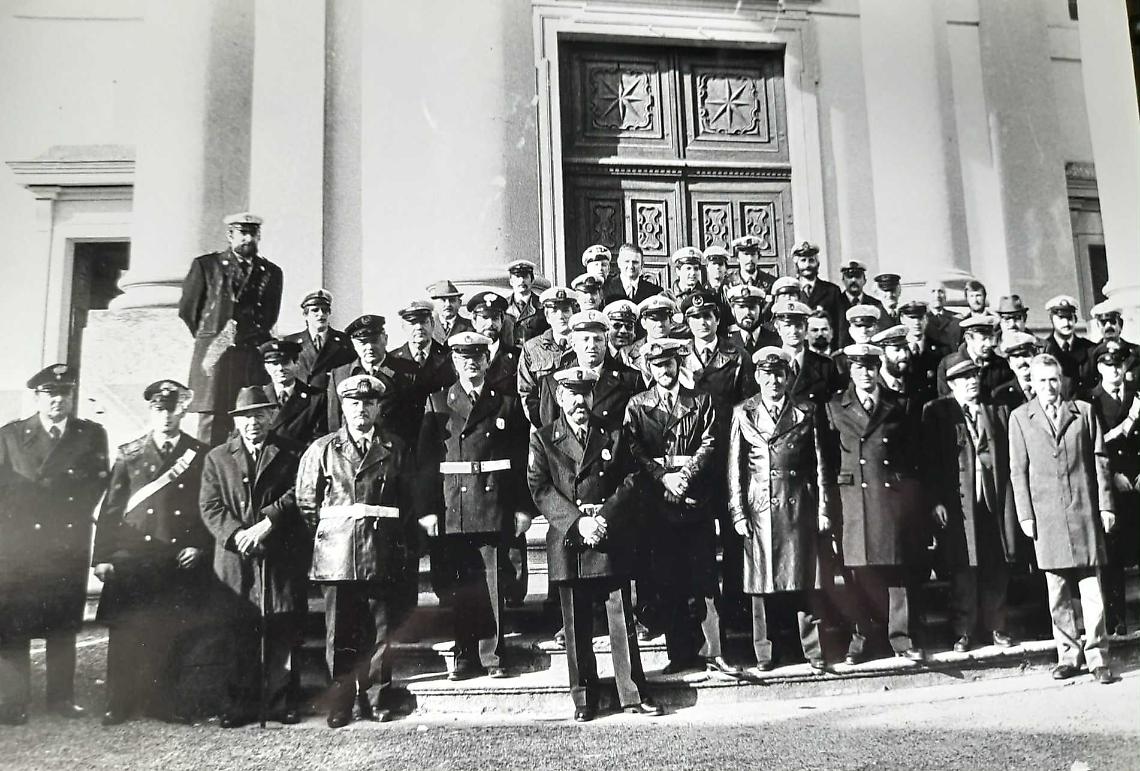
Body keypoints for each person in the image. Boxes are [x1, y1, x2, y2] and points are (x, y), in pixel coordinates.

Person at [527, 367, 661, 721]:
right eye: (571, 394)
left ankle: (633, 693)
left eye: (585, 393)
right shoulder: (544, 438)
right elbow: (540, 488)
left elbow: (631, 478)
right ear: (560, 398)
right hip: (570, 538)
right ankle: (584, 698)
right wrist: (579, 522)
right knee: (576, 624)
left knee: (621, 619)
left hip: (608, 533)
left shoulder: (613, 434)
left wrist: (604, 518)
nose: (579, 402)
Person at [296, 374, 417, 728]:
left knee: (381, 631)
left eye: (368, 403)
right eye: (354, 403)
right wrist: (332, 538)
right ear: (343, 408)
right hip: (337, 556)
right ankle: (342, 702)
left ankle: (378, 699)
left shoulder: (395, 448)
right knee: (340, 635)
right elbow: (306, 504)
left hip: (381, 551)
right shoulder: (322, 450)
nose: (361, 409)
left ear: (378, 408)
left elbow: (407, 501)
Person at [92, 380, 211, 725]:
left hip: (174, 557)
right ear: (151, 411)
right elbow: (111, 510)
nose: (166, 416)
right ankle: (118, 702)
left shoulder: (198, 453)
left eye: (172, 410)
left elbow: (205, 506)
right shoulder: (130, 453)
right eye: (160, 410)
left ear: (182, 412)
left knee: (168, 631)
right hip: (133, 558)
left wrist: (199, 545)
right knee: (124, 632)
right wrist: (102, 557)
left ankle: (162, 702)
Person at [416, 332, 533, 680]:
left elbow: (522, 460)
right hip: (454, 504)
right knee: (461, 585)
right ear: (455, 361)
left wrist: (523, 508)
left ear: (486, 360)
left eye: (477, 356)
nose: (471, 363)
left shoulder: (507, 403)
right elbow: (425, 462)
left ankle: (494, 656)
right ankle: (464, 656)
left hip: (495, 501)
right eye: (463, 357)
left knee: (494, 582)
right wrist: (427, 509)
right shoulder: (438, 402)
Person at [0, 364, 109, 724]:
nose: (58, 400)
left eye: (64, 393)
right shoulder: (10, 436)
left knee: (62, 624)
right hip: (21, 546)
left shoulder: (90, 435)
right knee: (14, 625)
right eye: (50, 394)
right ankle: (14, 701)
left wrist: (67, 519)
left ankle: (62, 699)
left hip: (65, 542)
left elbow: (97, 483)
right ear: (37, 397)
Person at [623, 339, 737, 675]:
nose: (664, 370)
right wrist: (663, 478)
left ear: (678, 364)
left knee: (705, 578)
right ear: (649, 368)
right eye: (657, 365)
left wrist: (685, 476)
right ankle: (680, 652)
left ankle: (715, 651)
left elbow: (710, 442)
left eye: (669, 364)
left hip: (694, 498)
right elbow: (633, 449)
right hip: (658, 503)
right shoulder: (637, 405)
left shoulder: (700, 400)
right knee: (669, 579)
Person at [198, 386, 308, 727]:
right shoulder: (217, 458)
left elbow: (298, 493)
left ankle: (282, 702)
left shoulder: (291, 452)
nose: (253, 423)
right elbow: (210, 506)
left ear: (271, 416)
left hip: (279, 554)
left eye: (259, 415)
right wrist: (237, 535)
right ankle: (239, 704)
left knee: (282, 629)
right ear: (236, 421)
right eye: (246, 417)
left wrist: (267, 524)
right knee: (238, 630)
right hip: (236, 558)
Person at [1008, 354, 1116, 684]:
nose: (1049, 386)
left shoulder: (1083, 412)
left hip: (1083, 510)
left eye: (1053, 379)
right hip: (1047, 515)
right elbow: (1018, 471)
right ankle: (1068, 655)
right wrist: (1025, 515)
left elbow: (1100, 460)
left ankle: (1097, 656)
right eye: (1042, 381)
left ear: (1062, 380)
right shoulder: (1020, 418)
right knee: (1057, 591)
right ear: (1032, 383)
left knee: (1091, 589)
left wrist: (1106, 506)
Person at [820, 344, 926, 665]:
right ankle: (862, 638)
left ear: (878, 369)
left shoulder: (899, 404)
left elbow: (912, 458)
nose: (865, 373)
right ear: (850, 371)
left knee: (896, 571)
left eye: (870, 367)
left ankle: (901, 638)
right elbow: (827, 461)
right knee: (857, 573)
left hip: (889, 499)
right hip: (852, 500)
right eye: (858, 367)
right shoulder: (834, 407)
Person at [728, 347, 829, 674]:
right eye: (767, 375)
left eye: (779, 375)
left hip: (798, 504)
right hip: (760, 507)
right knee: (760, 583)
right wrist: (738, 512)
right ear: (758, 377)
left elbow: (820, 465)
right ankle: (765, 652)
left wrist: (823, 509)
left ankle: (813, 649)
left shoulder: (806, 411)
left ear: (788, 377)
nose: (773, 381)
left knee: (805, 578)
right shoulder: (743, 413)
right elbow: (735, 468)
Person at [922, 358, 1018, 653]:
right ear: (951, 384)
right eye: (964, 378)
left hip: (993, 499)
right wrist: (936, 500)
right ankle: (963, 629)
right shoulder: (938, 411)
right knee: (962, 564)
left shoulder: (996, 410)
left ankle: (996, 625)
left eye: (975, 375)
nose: (972, 381)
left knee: (995, 562)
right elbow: (930, 462)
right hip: (958, 501)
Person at [680, 289, 753, 623]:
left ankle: (736, 604)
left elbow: (747, 407)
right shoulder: (679, 355)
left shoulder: (736, 356)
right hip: (693, 460)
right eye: (695, 317)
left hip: (727, 457)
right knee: (697, 539)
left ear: (717, 318)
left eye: (707, 316)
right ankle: (703, 609)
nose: (702, 323)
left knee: (733, 535)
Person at [178, 212, 281, 446]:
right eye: (242, 233)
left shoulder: (271, 272)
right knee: (212, 423)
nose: (248, 239)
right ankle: (208, 469)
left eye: (253, 234)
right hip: (216, 355)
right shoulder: (207, 266)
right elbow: (188, 310)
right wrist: (214, 336)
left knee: (252, 416)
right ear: (230, 235)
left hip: (250, 355)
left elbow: (269, 315)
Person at [1086, 341, 1140, 636]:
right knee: (1113, 557)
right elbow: (1094, 444)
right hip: (1111, 485)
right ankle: (1116, 619)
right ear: (1099, 368)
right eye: (1108, 365)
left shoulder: (1136, 395)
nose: (1115, 370)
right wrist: (1115, 474)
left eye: (1119, 364)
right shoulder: (1090, 401)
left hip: (1138, 481)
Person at [535, 310, 642, 430]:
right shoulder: (553, 382)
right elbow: (550, 431)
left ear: (606, 342)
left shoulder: (631, 379)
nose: (592, 345)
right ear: (573, 344)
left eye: (598, 339)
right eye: (585, 339)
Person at [327, 314, 419, 447]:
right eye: (363, 342)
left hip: (393, 451)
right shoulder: (340, 375)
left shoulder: (407, 372)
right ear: (353, 344)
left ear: (385, 339)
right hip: (352, 451)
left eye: (374, 340)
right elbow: (334, 424)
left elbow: (414, 423)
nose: (369, 347)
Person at [518, 286, 579, 424]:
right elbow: (526, 392)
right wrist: (543, 427)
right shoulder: (532, 348)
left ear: (573, 313)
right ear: (547, 316)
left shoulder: (583, 344)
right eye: (554, 311)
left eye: (565, 310)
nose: (561, 316)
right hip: (546, 423)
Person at [390, 299, 459, 413]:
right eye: (412, 323)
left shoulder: (450, 358)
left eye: (423, 322)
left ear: (432, 324)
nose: (419, 327)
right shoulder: (392, 361)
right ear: (403, 327)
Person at [772, 299, 843, 408]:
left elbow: (835, 407)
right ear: (778, 329)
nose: (793, 331)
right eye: (787, 326)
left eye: (798, 326)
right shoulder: (770, 363)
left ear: (806, 329)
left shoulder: (825, 365)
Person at [259, 339, 328, 445]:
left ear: (297, 364)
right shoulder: (258, 396)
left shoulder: (316, 398)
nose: (280, 368)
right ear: (266, 367)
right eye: (274, 363)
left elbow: (319, 437)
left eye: (285, 363)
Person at [283, 289, 354, 389]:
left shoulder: (344, 340)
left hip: (331, 395)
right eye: (315, 310)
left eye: (325, 310)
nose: (321, 314)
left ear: (329, 313)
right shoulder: (290, 342)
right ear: (305, 315)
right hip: (303, 396)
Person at [936, 315, 1012, 401]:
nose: (989, 344)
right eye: (983, 339)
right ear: (968, 338)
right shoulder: (949, 364)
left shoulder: (1000, 364)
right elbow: (945, 401)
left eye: (990, 338)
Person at [1043, 295, 1097, 395]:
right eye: (1060, 318)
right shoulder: (1044, 350)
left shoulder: (1090, 349)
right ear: (1051, 319)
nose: (1066, 323)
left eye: (1069, 318)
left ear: (1075, 319)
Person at [897, 299, 948, 408]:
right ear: (902, 319)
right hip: (904, 411)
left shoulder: (941, 350)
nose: (917, 323)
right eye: (912, 318)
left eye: (920, 318)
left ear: (926, 319)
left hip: (932, 409)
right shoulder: (897, 350)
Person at [793, 242, 843, 346]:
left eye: (811, 260)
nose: (807, 265)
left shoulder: (832, 290)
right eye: (803, 260)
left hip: (825, 348)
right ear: (796, 264)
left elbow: (840, 325)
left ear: (817, 264)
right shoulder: (791, 291)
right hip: (799, 348)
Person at [624, 294, 680, 385]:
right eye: (654, 320)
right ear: (643, 323)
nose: (660, 324)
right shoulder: (628, 353)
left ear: (670, 321)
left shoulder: (680, 347)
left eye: (663, 319)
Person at [836, 260, 883, 348]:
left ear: (864, 280)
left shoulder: (875, 304)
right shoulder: (834, 303)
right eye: (849, 277)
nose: (853, 280)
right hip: (842, 352)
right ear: (843, 280)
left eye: (858, 277)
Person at [991, 331, 1044, 409]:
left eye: (1025, 355)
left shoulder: (1049, 386)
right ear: (1009, 363)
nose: (1022, 361)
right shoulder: (1001, 394)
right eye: (1016, 357)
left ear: (1035, 357)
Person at [726, 284, 779, 359]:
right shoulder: (727, 345)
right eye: (741, 307)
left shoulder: (776, 341)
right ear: (733, 311)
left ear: (761, 309)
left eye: (752, 307)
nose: (747, 312)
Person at [505, 260, 549, 344]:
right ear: (511, 281)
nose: (522, 280)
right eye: (517, 277)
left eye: (525, 277)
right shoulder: (503, 306)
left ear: (532, 280)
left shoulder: (542, 306)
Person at [428, 280, 473, 344]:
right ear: (435, 304)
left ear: (459, 303)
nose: (448, 304)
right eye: (443, 300)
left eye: (452, 300)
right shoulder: (428, 327)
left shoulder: (470, 326)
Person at [925, 282, 962, 351]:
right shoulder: (922, 319)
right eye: (933, 291)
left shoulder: (956, 318)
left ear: (945, 296)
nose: (937, 295)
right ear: (926, 296)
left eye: (940, 291)